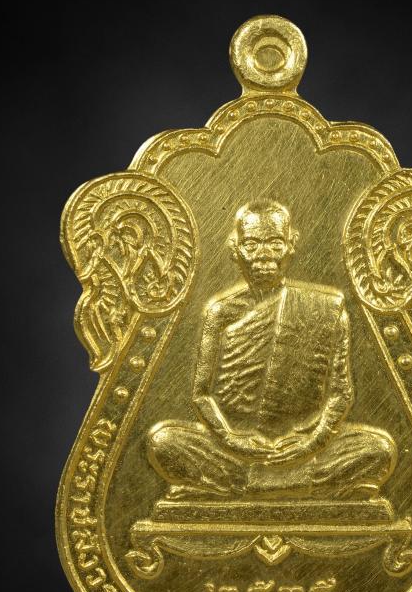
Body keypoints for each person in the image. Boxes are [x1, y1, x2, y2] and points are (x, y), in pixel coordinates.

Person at [148, 200, 396, 499]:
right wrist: (232, 440)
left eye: (275, 243)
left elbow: (341, 393)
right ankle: (298, 485)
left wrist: (313, 442)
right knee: (164, 442)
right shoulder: (221, 312)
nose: (263, 255)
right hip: (236, 450)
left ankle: (243, 486)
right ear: (235, 248)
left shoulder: (325, 308)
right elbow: (201, 394)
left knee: (379, 449)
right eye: (252, 244)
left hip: (305, 446)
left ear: (291, 244)